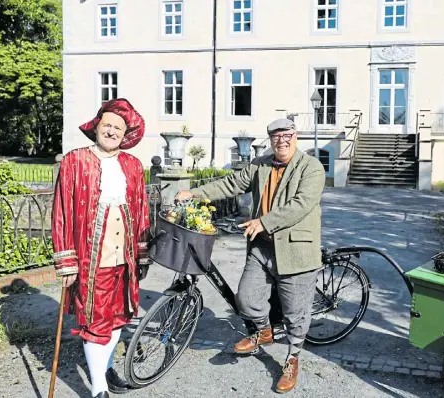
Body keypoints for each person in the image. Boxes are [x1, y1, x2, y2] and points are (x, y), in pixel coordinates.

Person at [175, 118, 326, 393]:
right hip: (262, 247)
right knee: (246, 298)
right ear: (270, 139)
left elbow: (301, 204)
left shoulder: (311, 167)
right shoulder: (260, 164)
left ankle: (292, 357)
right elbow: (230, 184)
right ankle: (264, 331)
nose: (281, 140)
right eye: (276, 136)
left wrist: (264, 222)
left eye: (287, 135)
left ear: (296, 136)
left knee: (295, 313)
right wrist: (194, 193)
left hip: (295, 250)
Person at [51, 98, 152, 398]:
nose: (111, 131)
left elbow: (142, 209)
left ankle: (105, 372)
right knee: (95, 321)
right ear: (96, 127)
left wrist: (142, 253)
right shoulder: (75, 161)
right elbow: (61, 211)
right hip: (90, 259)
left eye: (118, 128)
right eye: (107, 125)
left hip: (125, 259)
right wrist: (66, 260)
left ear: (125, 135)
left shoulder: (132, 165)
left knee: (119, 316)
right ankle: (98, 390)